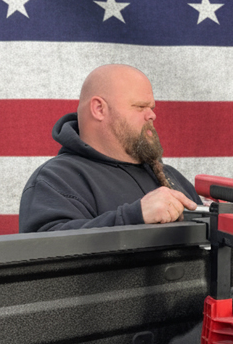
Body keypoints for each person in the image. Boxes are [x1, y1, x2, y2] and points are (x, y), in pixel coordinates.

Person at [19, 64, 199, 232]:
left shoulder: (170, 177)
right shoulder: (57, 179)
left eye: (151, 107)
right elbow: (47, 252)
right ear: (99, 109)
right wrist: (134, 216)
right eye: (140, 107)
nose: (152, 115)